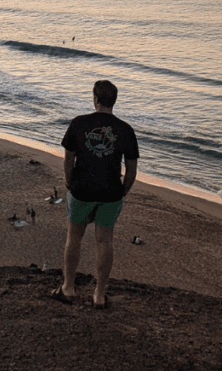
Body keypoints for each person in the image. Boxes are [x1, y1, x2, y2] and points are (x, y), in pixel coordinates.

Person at [52, 80, 139, 308]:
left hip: (81, 190)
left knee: (74, 238)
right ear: (114, 101)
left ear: (95, 99)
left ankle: (68, 288)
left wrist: (70, 183)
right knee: (105, 242)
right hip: (111, 193)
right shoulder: (126, 130)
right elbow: (131, 170)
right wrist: (123, 192)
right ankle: (99, 295)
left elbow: (68, 159)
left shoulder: (79, 123)